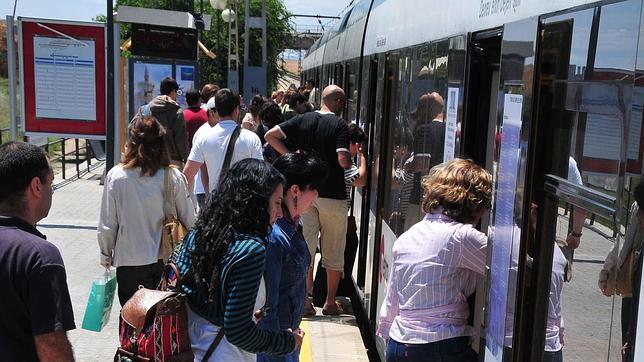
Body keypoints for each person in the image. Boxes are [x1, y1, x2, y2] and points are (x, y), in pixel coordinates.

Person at [173, 159, 304, 361]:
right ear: (257, 203)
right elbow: (239, 332)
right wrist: (287, 341)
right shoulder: (250, 251)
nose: (279, 213)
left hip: (185, 351)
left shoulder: (200, 235)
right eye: (277, 203)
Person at [377, 158, 492, 362]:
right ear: (475, 203)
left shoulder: (408, 236)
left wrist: (386, 331)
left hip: (398, 344)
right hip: (439, 346)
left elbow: (393, 297)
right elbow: (509, 267)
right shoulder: (462, 237)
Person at [265, 85, 352, 316]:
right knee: (333, 249)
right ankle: (330, 302)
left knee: (306, 247)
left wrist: (292, 158)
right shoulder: (340, 125)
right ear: (339, 103)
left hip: (304, 195)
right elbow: (343, 160)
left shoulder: (302, 119)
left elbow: (270, 135)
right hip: (334, 196)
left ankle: (304, 301)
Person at [98, 114, 197, 306]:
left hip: (129, 260)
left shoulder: (116, 176)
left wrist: (105, 254)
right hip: (167, 259)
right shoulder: (172, 176)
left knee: (132, 320)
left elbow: (108, 222)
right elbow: (189, 219)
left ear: (132, 143)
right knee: (164, 318)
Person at [0, 141, 75, 361]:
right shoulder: (39, 256)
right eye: (51, 182)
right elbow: (51, 346)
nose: (52, 190)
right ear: (36, 186)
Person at [257, 152, 327, 362]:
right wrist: (282, 344)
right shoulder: (276, 238)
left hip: (286, 338)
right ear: (295, 190)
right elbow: (268, 306)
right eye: (313, 188)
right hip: (276, 344)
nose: (316, 195)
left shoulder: (291, 227)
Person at [183, 88, 263, 196]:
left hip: (216, 204)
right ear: (237, 110)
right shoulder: (252, 138)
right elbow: (260, 175)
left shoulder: (203, 137)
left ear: (217, 110)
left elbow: (187, 175)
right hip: (243, 204)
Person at [139, 77, 189, 166]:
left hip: (150, 160)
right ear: (173, 91)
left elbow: (133, 128)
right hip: (172, 161)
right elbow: (180, 139)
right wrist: (185, 157)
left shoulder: (145, 109)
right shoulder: (176, 111)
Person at [191, 97, 220, 209]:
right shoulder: (203, 133)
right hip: (204, 191)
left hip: (215, 189)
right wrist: (208, 192)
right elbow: (202, 166)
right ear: (211, 112)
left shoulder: (217, 131)